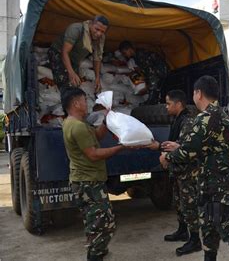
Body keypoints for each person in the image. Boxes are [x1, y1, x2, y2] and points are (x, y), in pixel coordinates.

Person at [149, 76, 229, 261]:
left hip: (219, 186)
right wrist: (179, 147)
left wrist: (167, 156)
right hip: (212, 184)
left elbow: (188, 152)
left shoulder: (205, 118)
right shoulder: (222, 114)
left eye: (194, 93)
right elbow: (203, 145)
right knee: (209, 229)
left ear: (198, 93)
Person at [61, 87, 124, 261]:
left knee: (94, 221)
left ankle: (97, 252)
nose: (86, 104)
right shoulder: (77, 126)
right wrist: (122, 147)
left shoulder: (73, 123)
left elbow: (95, 136)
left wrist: (105, 121)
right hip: (89, 183)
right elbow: (94, 154)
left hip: (86, 181)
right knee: (104, 224)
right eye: (84, 100)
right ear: (75, 103)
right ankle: (95, 256)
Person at [161, 90, 202, 256]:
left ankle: (195, 240)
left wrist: (167, 156)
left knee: (189, 206)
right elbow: (173, 144)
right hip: (178, 171)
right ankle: (182, 230)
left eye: (168, 103)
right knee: (179, 203)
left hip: (187, 172)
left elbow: (184, 148)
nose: (166, 106)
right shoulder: (177, 119)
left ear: (178, 104)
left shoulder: (187, 121)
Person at [49, 15, 109, 91]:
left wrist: (97, 78)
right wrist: (71, 72)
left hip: (74, 60)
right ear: (91, 24)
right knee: (64, 80)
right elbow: (65, 52)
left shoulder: (101, 38)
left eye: (102, 31)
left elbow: (97, 58)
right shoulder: (76, 29)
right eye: (97, 29)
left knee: (76, 84)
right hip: (58, 52)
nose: (99, 33)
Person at [118, 40, 169, 105]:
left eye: (125, 53)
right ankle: (153, 99)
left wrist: (147, 85)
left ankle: (152, 100)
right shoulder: (136, 56)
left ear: (129, 49)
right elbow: (145, 72)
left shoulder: (140, 55)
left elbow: (150, 71)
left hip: (162, 71)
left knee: (152, 82)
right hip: (156, 72)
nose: (125, 55)